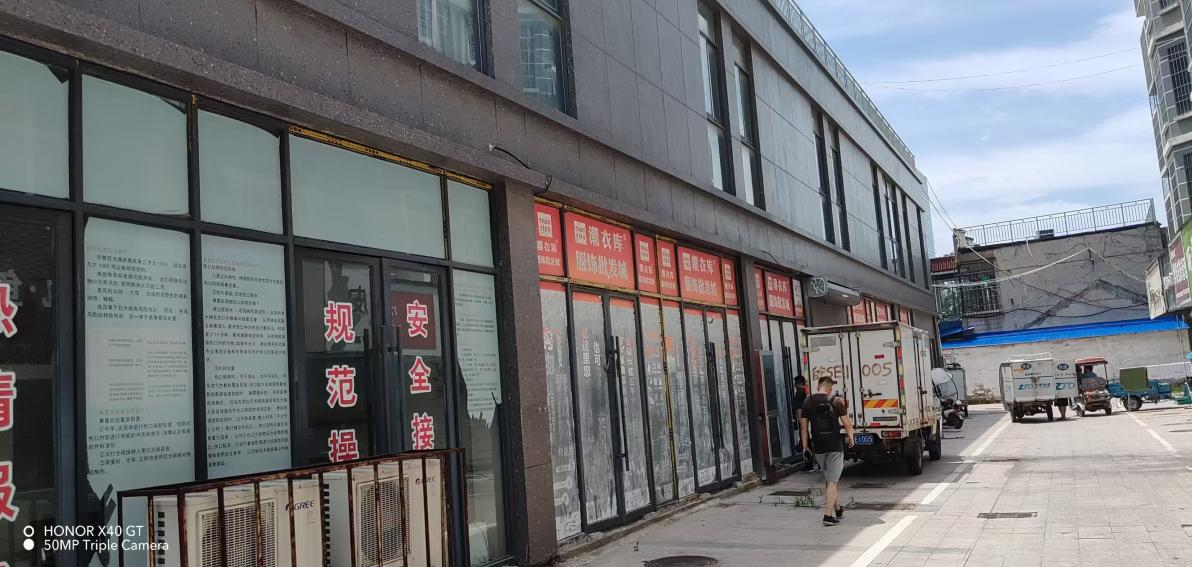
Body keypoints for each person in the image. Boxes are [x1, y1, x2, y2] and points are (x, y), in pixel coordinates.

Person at [800, 376, 856, 526]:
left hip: (818, 447)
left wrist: (805, 446)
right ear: (830, 388)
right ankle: (828, 516)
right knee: (832, 480)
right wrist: (851, 438)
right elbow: (847, 424)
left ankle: (838, 509)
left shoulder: (808, 401)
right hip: (834, 446)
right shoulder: (836, 401)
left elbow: (803, 427)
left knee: (829, 479)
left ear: (818, 386)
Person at [792, 375, 814, 471]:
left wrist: (801, 422)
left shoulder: (799, 393)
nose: (795, 386)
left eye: (796, 384)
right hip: (813, 421)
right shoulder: (809, 391)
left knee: (806, 443)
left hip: (805, 422)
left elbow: (799, 409)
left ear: (798, 384)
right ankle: (820, 465)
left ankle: (809, 465)